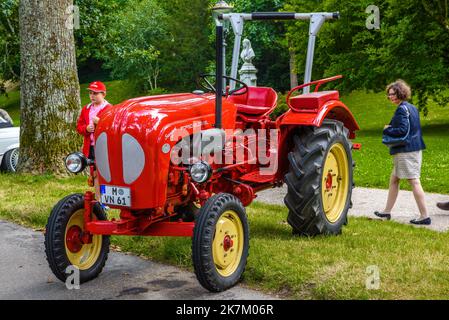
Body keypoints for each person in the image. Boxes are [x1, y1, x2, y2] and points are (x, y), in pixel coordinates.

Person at [374, 80, 430, 225]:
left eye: (392, 94)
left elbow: (403, 130)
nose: (390, 97)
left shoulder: (401, 109)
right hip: (413, 148)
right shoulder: (412, 107)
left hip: (406, 150)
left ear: (400, 93)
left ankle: (425, 216)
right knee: (394, 179)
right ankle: (386, 212)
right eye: (389, 95)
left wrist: (387, 128)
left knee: (414, 181)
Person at [76, 81, 112, 160]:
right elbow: (79, 127)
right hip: (89, 146)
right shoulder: (86, 109)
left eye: (95, 93)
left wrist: (100, 122)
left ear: (103, 94)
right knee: (92, 168)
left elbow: (112, 128)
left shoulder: (110, 109)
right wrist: (86, 129)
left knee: (103, 168)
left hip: (104, 146)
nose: (92, 96)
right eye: (90, 93)